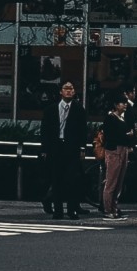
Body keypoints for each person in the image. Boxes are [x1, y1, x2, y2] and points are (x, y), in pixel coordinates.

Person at [43, 82, 89, 220]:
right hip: (56, 147)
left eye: (71, 89)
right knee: (56, 179)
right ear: (61, 92)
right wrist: (44, 149)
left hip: (72, 147)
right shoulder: (51, 109)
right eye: (66, 89)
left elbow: (83, 130)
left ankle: (72, 209)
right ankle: (58, 211)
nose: (69, 91)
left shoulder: (79, 109)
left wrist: (82, 148)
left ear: (74, 92)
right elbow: (44, 130)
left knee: (72, 179)